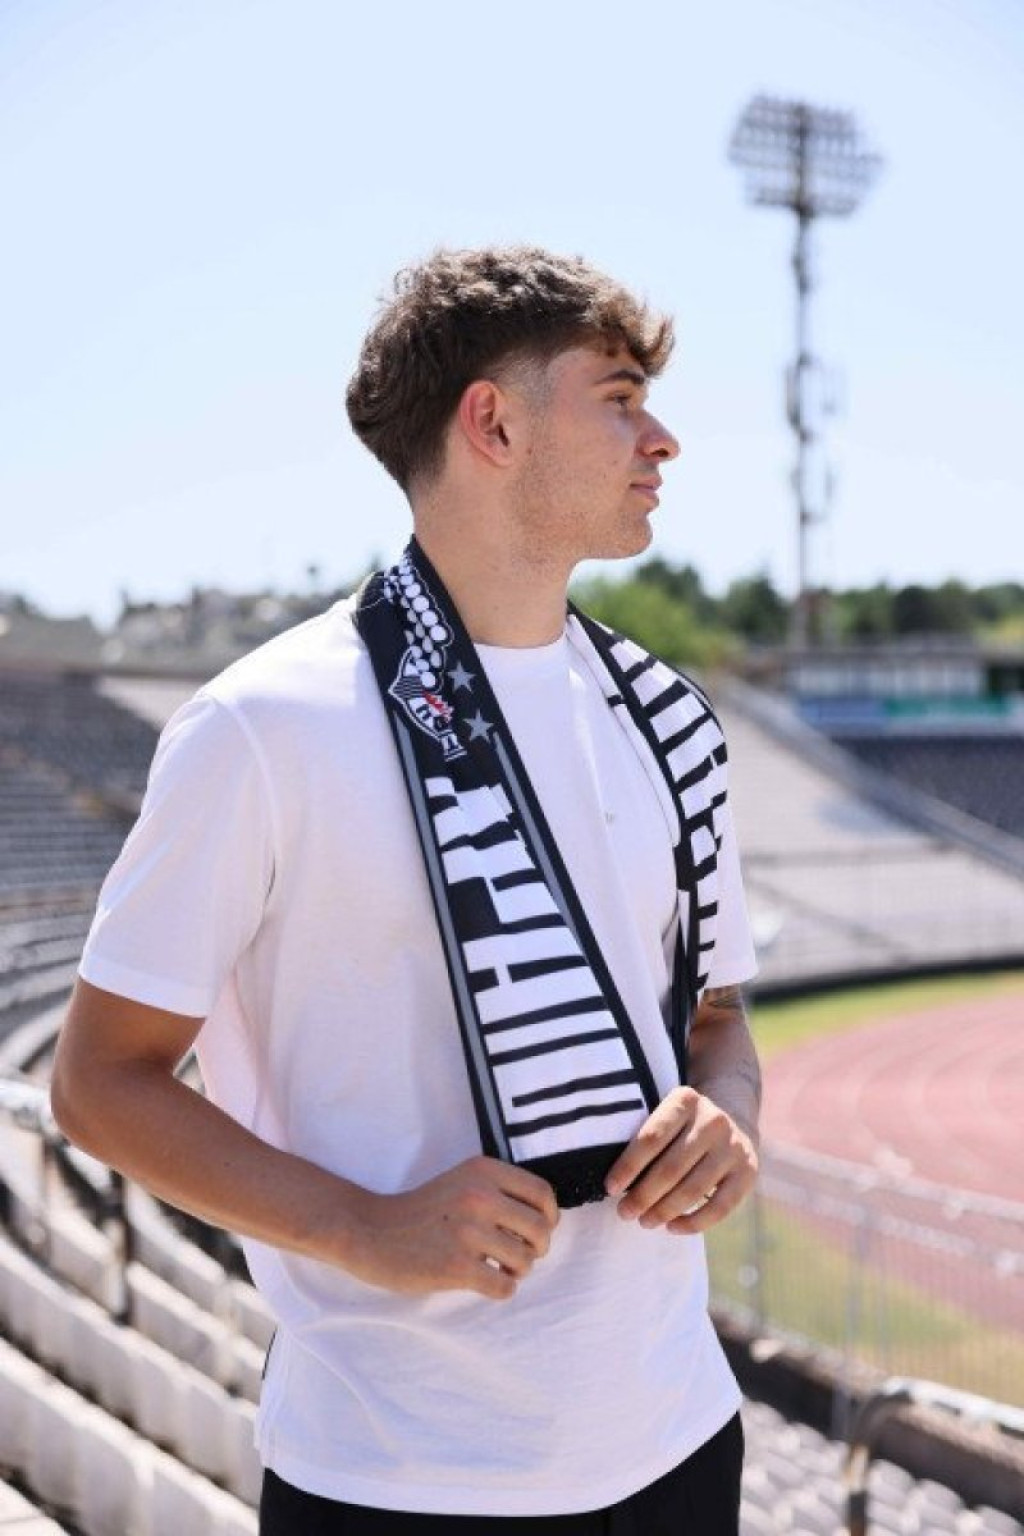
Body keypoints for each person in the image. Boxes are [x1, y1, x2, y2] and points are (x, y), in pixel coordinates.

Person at [51, 245, 762, 1535]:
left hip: (679, 1439)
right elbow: (100, 1082)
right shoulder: (262, 727)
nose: (662, 440)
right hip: (394, 1477)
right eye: (617, 398)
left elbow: (715, 1021)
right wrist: (361, 1228)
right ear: (492, 423)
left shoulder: (667, 720)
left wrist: (729, 1116)